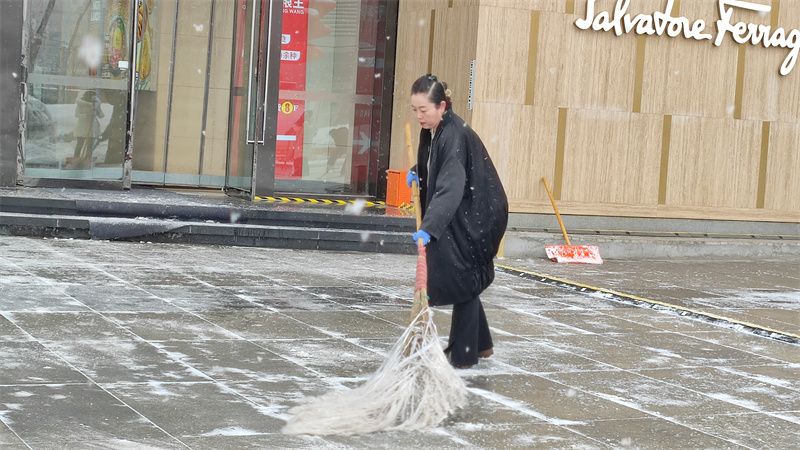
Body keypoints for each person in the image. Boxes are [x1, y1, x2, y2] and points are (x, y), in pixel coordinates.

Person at [407, 74, 508, 369]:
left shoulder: (454, 134)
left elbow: (450, 186)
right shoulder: (437, 129)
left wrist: (429, 227)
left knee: (462, 276)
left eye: (423, 109)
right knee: (465, 276)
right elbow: (437, 167)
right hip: (464, 209)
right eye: (414, 110)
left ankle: (464, 356)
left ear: (441, 106)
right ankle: (482, 346)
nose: (419, 116)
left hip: (479, 213)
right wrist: (419, 171)